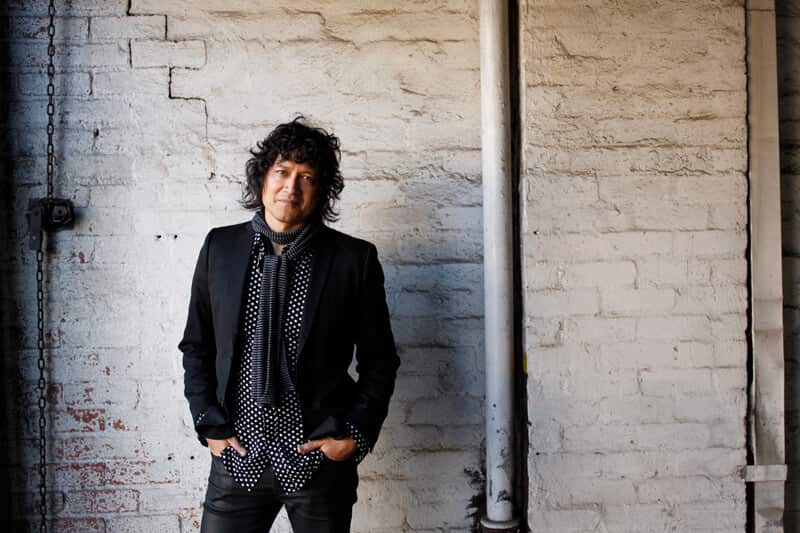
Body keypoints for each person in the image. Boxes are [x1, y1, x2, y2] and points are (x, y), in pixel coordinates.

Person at [178, 116, 400, 533]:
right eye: (282, 171)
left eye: (307, 177)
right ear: (263, 176)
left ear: (321, 191)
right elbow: (197, 345)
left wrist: (353, 435)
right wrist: (209, 424)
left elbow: (380, 360)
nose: (291, 187)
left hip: (318, 461)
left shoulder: (353, 260)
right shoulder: (219, 248)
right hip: (238, 458)